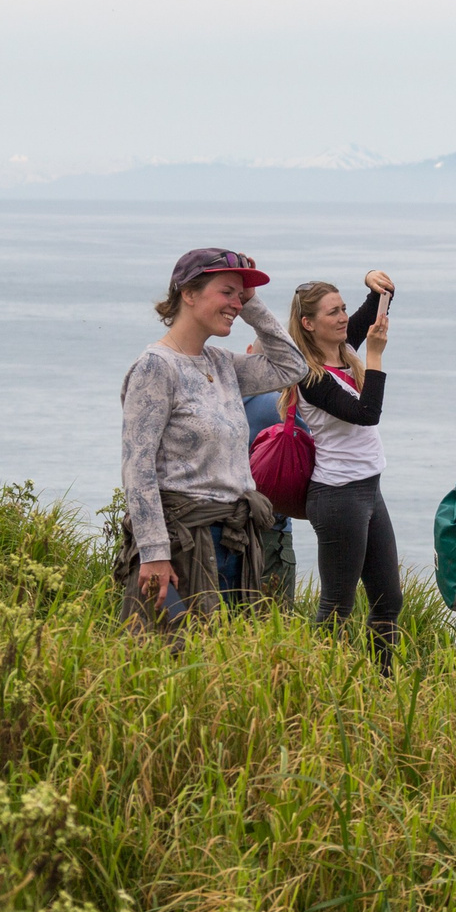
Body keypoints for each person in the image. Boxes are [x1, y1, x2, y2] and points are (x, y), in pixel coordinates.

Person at [117, 249, 305, 632]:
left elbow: (293, 366)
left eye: (240, 295)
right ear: (188, 293)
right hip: (184, 544)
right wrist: (154, 554)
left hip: (234, 539)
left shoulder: (222, 364)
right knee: (175, 657)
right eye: (227, 293)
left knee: (229, 662)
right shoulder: (156, 367)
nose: (236, 303)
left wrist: (253, 304)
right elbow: (138, 468)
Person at [285, 271, 401, 668]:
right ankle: (316, 683)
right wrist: (376, 356)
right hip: (338, 496)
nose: (342, 318)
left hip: (370, 489)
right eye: (333, 312)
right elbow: (366, 414)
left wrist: (374, 281)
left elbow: (381, 300)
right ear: (308, 323)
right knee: (337, 605)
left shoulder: (341, 349)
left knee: (389, 600)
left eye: (344, 310)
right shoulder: (310, 375)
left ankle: (383, 684)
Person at [239, 385, 300, 610]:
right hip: (270, 534)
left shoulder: (226, 395)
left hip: (221, 528)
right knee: (273, 626)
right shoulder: (279, 404)